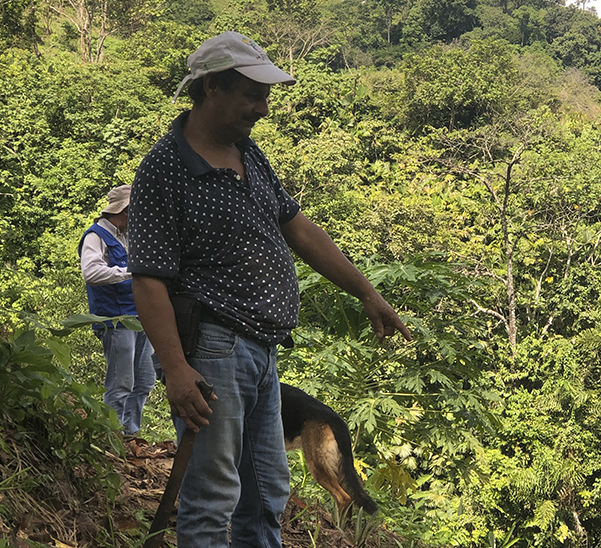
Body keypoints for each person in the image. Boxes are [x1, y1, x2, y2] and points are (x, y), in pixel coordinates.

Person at [128, 31, 411, 548]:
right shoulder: (165, 169)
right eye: (252, 95)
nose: (262, 109)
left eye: (266, 96)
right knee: (213, 497)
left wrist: (367, 293)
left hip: (261, 351)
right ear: (212, 86)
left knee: (266, 495)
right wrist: (174, 369)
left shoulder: (247, 153)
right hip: (213, 352)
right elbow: (148, 278)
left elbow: (299, 227)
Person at [78, 184, 155, 436]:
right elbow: (90, 272)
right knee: (121, 383)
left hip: (140, 316)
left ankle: (129, 435)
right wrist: (128, 272)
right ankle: (111, 437)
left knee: (144, 381)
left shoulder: (127, 236)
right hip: (115, 319)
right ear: (124, 210)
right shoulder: (96, 235)